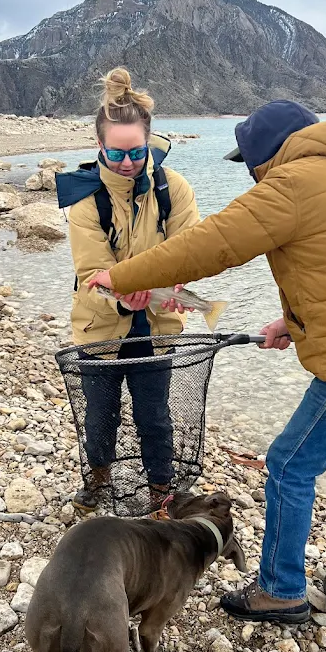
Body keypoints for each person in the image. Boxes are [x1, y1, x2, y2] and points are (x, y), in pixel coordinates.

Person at [88, 100, 326, 635]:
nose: (251, 173)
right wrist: (295, 321)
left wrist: (120, 277)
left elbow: (210, 246)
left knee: (288, 465)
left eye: (250, 163)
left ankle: (280, 591)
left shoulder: (292, 184)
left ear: (266, 154)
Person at [55, 68, 199, 513]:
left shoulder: (173, 189)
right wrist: (124, 289)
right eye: (116, 153)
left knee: (154, 415)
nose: (126, 162)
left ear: (149, 143)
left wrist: (177, 283)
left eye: (136, 151)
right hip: (100, 323)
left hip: (156, 324)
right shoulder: (85, 198)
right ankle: (99, 480)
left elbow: (189, 251)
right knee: (100, 414)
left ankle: (160, 491)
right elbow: (93, 269)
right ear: (99, 145)